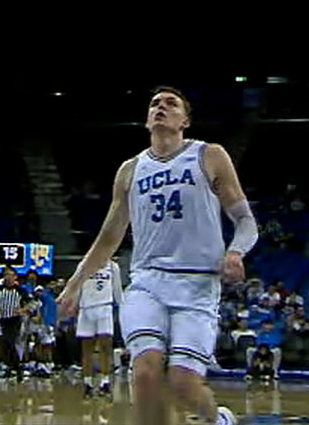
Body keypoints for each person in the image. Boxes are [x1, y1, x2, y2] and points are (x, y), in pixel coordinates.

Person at [59, 88, 249, 425]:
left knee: (182, 383)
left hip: (197, 284)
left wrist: (235, 251)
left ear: (185, 121)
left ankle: (217, 418)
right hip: (147, 282)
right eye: (154, 104)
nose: (161, 107)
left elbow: (245, 220)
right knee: (145, 374)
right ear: (147, 121)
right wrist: (75, 284)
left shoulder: (209, 155)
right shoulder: (130, 170)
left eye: (171, 104)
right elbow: (109, 237)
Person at [77, 259, 123, 397]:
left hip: (105, 308)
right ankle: (87, 383)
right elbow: (77, 286)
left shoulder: (113, 267)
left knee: (105, 347)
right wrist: (74, 305)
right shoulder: (84, 264)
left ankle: (105, 382)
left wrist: (123, 308)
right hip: (86, 308)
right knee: (87, 349)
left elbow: (117, 290)